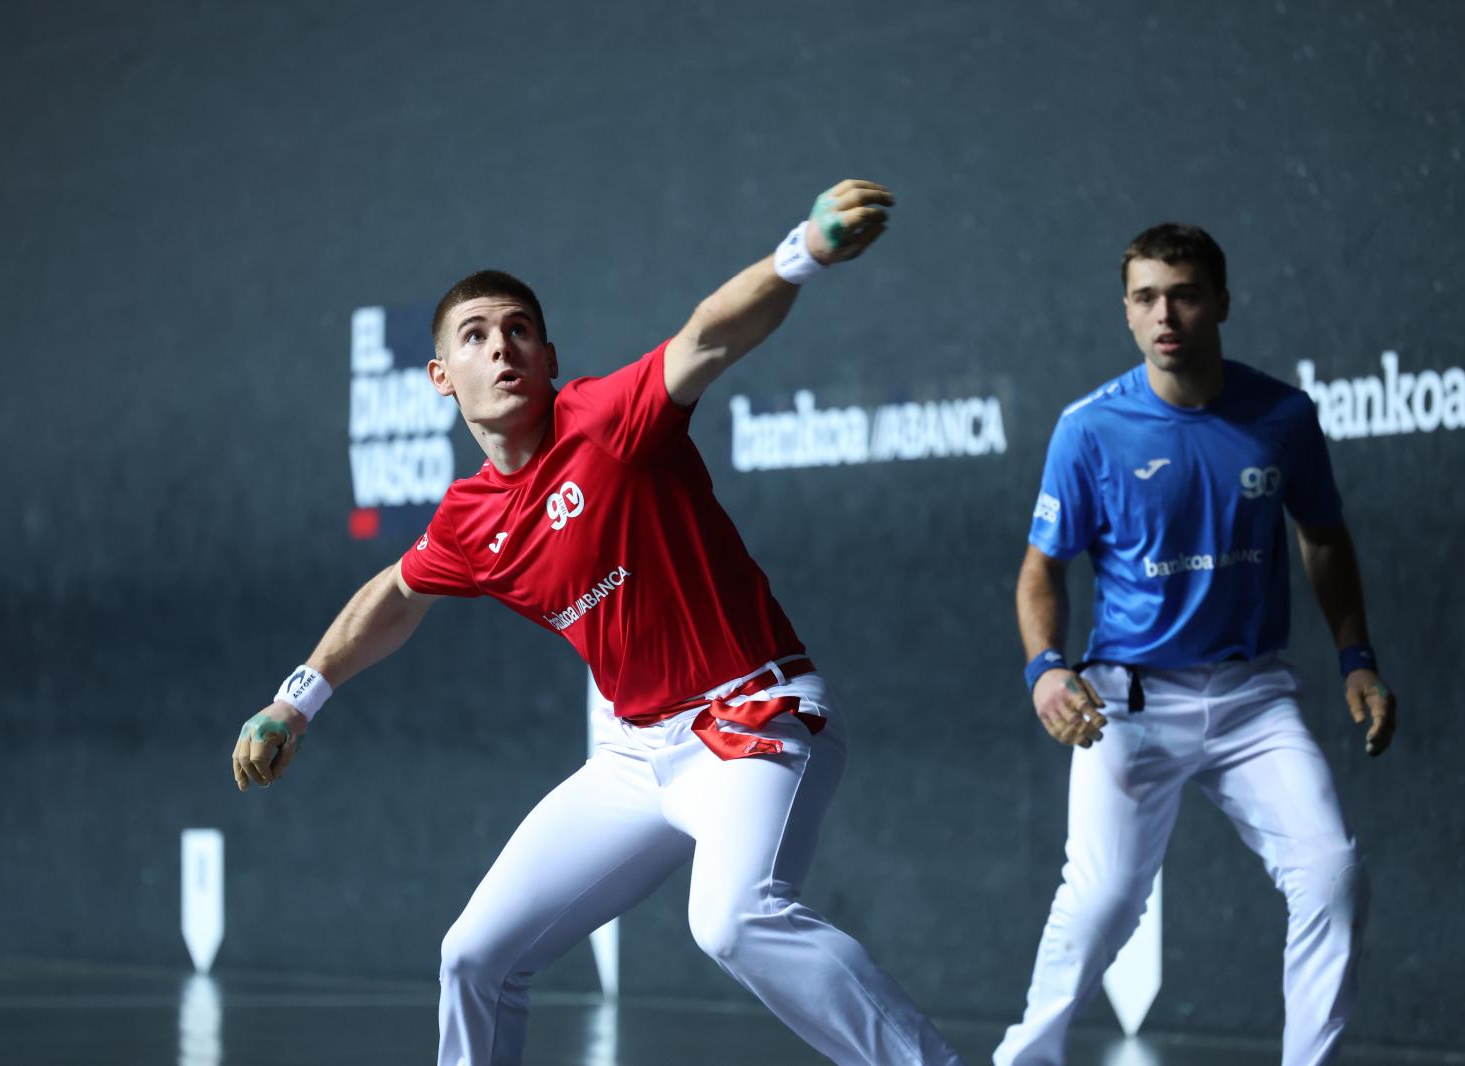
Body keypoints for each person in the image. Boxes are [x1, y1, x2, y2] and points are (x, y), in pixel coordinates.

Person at [232, 180, 964, 1066]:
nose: (501, 347)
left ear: (548, 357)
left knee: (732, 920)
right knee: (473, 955)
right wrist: (297, 699)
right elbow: (393, 595)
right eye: (476, 336)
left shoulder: (608, 421)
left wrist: (799, 252)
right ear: (440, 378)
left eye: (519, 332)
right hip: (633, 756)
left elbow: (707, 335)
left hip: (753, 717)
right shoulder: (468, 518)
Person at [994, 223, 1397, 1066]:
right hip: (1128, 704)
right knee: (1102, 901)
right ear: (1128, 312)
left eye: (1183, 294)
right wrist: (1045, 672)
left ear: (1221, 302)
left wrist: (1355, 656)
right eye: (1145, 297)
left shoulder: (1283, 416)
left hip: (1255, 700)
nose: (1164, 313)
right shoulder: (1090, 429)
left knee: (1333, 877)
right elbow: (1042, 571)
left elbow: (1323, 538)